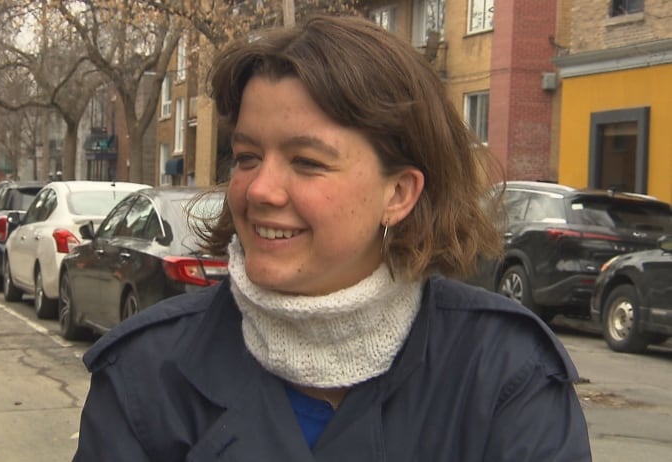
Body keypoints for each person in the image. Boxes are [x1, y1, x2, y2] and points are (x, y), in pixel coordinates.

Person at [73, 15, 592, 461]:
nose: (260, 189)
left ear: (399, 192)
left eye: (307, 162)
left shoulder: (506, 374)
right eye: (247, 157)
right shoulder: (144, 374)